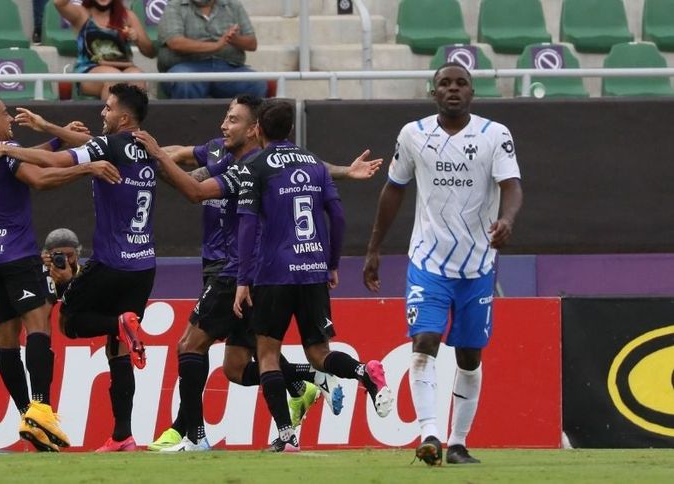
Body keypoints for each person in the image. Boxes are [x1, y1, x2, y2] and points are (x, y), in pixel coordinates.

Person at [140, 96, 385, 452]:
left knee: (190, 345)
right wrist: (346, 172)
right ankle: (304, 386)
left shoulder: (252, 166)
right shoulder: (225, 152)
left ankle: (193, 435)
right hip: (271, 271)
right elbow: (312, 169)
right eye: (226, 117)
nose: (225, 125)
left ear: (255, 129)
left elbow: (195, 190)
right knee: (237, 367)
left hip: (241, 271)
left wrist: (154, 156)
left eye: (234, 120)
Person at [0, 83, 157, 453]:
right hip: (145, 264)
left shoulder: (106, 146)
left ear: (123, 117)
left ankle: (39, 410)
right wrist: (49, 129)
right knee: (119, 349)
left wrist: (7, 148)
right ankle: (123, 435)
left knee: (69, 320)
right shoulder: (147, 148)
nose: (101, 113)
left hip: (110, 261)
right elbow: (87, 143)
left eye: (107, 108)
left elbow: (56, 165)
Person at [363, 62, 523, 466]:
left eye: (461, 83)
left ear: (472, 92)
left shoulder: (495, 134)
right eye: (445, 83)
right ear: (433, 92)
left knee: (469, 355)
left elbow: (511, 186)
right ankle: (429, 434)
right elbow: (394, 189)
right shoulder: (413, 134)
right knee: (425, 342)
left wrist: (507, 220)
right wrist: (374, 247)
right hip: (428, 261)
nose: (453, 89)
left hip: (477, 265)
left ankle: (458, 443)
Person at [232, 100, 394, 452]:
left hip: (273, 273)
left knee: (267, 354)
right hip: (312, 270)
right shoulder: (314, 164)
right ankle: (364, 372)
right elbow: (338, 216)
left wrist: (243, 279)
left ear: (257, 129)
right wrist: (331, 263)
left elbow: (247, 225)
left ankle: (286, 435)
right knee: (319, 353)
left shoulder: (254, 166)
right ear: (291, 129)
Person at [157, 0, 266, 99]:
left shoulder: (233, 5)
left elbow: (252, 44)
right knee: (183, 80)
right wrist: (216, 46)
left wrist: (234, 39)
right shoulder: (175, 5)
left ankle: (237, 115)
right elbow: (175, 43)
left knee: (256, 83)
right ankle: (188, 115)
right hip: (188, 66)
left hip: (227, 67)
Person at [55, 0, 156, 99]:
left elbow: (150, 52)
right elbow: (58, 3)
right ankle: (108, 111)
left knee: (137, 77)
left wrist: (137, 38)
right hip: (89, 69)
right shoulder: (81, 14)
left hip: (124, 66)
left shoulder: (127, 16)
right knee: (113, 77)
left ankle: (132, 111)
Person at [41, 227, 83, 298]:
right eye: (59, 256)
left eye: (69, 255)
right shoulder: (39, 278)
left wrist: (69, 281)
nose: (66, 261)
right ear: (47, 255)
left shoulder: (89, 275)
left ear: (77, 254)